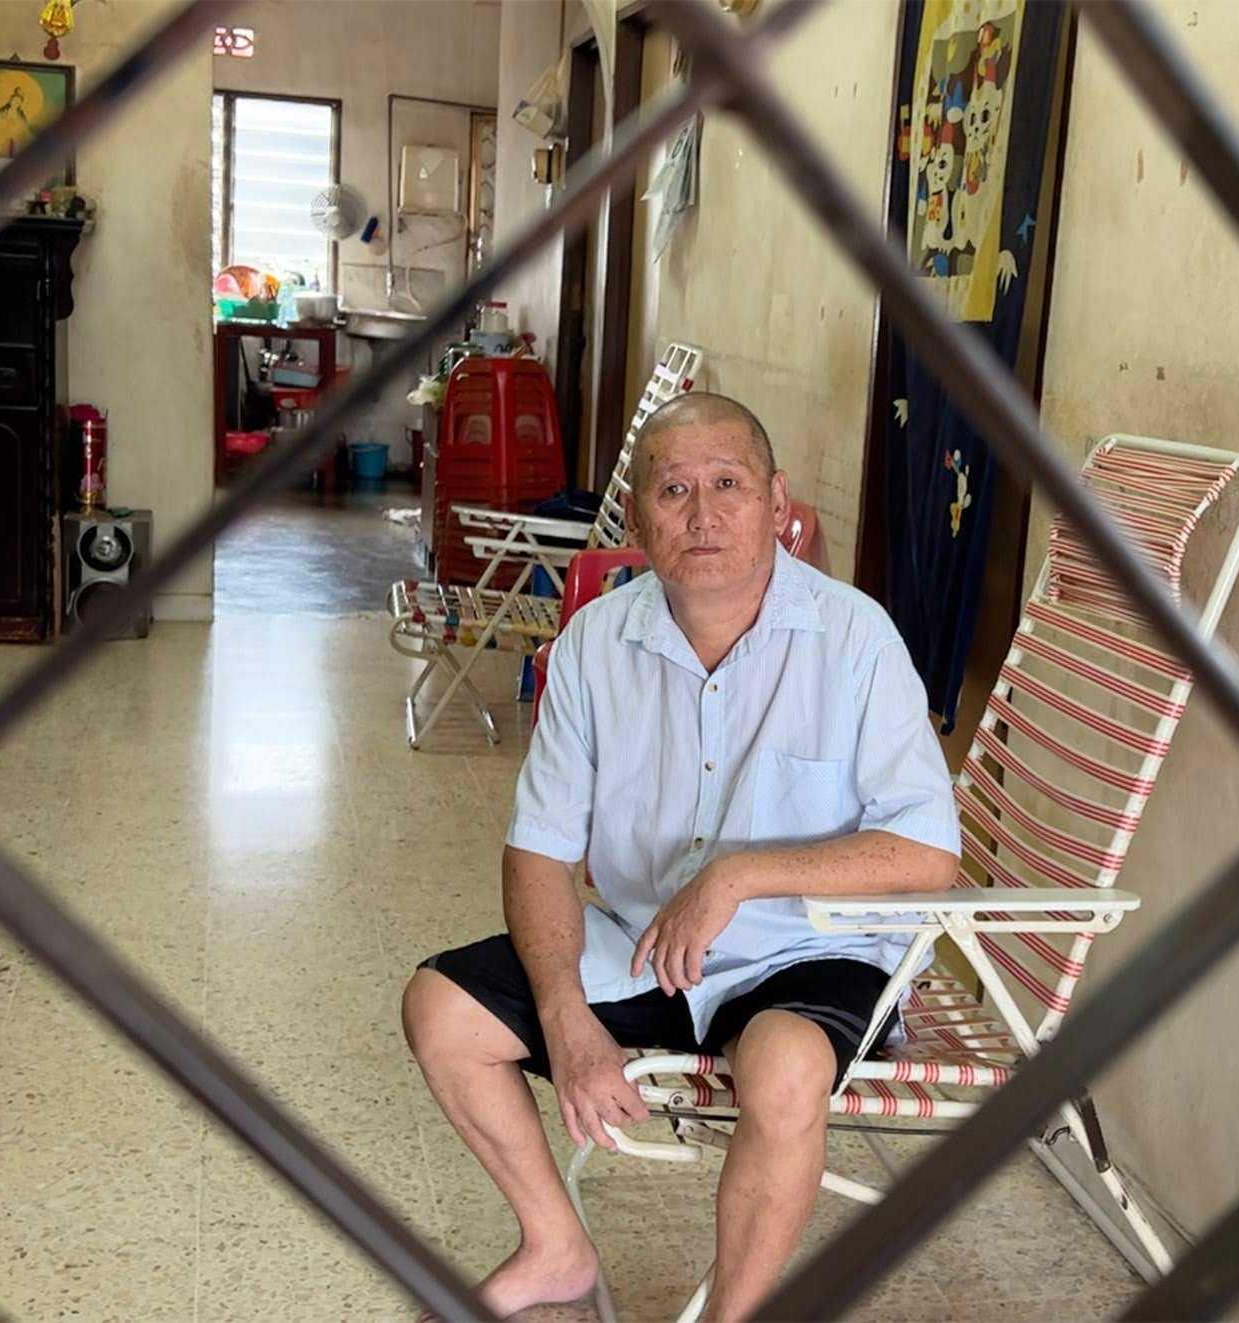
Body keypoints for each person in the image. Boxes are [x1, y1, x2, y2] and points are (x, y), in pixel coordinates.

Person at [402, 392, 960, 1322]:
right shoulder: (592, 643)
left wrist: (738, 874)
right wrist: (565, 1013)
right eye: (674, 490)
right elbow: (540, 850)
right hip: (646, 939)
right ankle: (555, 1247)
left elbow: (926, 850)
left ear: (777, 500)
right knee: (440, 1009)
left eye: (729, 484)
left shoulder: (855, 639)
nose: (703, 514)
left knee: (782, 1064)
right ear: (636, 516)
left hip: (812, 948)